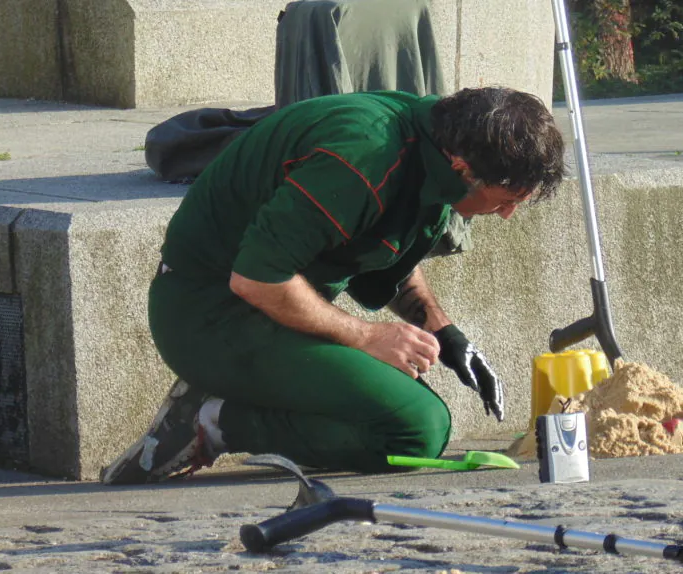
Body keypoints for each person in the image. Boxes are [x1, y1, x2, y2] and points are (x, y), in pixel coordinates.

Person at [101, 87, 566, 484]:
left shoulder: (432, 138)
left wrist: (446, 334)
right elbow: (257, 280)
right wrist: (367, 336)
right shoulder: (362, 157)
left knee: (410, 413)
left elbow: (387, 244)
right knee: (416, 429)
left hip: (259, 308)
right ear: (463, 167)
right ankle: (213, 421)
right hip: (207, 316)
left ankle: (226, 396)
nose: (507, 214)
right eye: (507, 201)